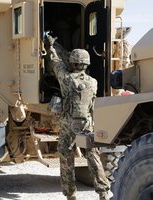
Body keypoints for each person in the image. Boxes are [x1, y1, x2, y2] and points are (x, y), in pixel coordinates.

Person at [44, 35, 110, 200]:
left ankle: (71, 194)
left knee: (66, 155)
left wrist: (51, 47)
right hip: (87, 123)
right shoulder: (93, 82)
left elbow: (57, 64)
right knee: (93, 156)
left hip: (68, 123)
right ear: (86, 64)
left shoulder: (66, 79)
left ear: (72, 63)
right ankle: (103, 192)